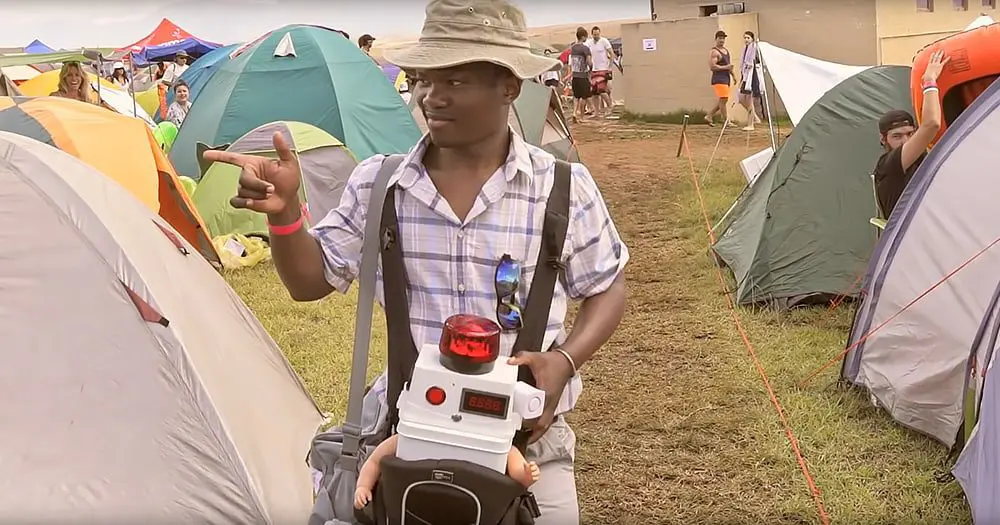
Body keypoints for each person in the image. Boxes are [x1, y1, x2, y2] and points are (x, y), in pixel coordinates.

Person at [204, 1, 628, 523]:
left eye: (456, 80)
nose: (432, 96)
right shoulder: (380, 184)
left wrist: (563, 362)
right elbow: (310, 282)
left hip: (529, 447)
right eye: (424, 79)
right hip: (407, 439)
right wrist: (287, 214)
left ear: (510, 86)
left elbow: (608, 287)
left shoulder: (562, 188)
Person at [354, 432, 540, 510]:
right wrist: (363, 486)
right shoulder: (409, 435)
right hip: (416, 507)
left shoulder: (498, 444)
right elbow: (375, 461)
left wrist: (526, 474)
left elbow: (516, 471)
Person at [874, 50, 949, 218]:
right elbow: (931, 124)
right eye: (897, 136)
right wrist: (929, 81)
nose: (905, 141)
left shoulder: (922, 160)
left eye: (910, 134)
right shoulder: (889, 164)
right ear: (883, 139)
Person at [706, 30, 735, 127]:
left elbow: (728, 66)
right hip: (718, 79)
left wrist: (733, 75)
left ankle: (709, 115)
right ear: (716, 39)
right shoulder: (714, 52)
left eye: (723, 38)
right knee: (724, 99)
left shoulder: (726, 51)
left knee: (723, 100)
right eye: (720, 38)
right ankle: (726, 121)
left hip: (726, 78)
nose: (722, 40)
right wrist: (726, 68)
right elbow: (712, 67)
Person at [737, 31, 764, 131]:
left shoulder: (755, 48)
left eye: (748, 38)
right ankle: (755, 118)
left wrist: (752, 63)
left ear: (752, 39)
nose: (746, 40)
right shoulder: (745, 49)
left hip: (752, 76)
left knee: (749, 100)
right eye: (745, 38)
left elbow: (758, 60)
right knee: (741, 98)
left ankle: (750, 124)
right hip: (745, 75)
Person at [586, 26, 615, 117]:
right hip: (593, 69)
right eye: (594, 34)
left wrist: (610, 66)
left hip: (603, 68)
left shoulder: (604, 41)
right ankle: (597, 111)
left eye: (597, 34)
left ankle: (609, 107)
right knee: (594, 91)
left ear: (600, 33)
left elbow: (612, 53)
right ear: (592, 34)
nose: (596, 36)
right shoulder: (589, 43)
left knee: (601, 89)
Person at [569, 26, 594, 122]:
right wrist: (591, 68)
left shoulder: (573, 48)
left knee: (576, 96)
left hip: (575, 75)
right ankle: (582, 117)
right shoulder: (585, 48)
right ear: (583, 37)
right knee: (584, 96)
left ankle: (574, 112)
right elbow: (589, 61)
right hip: (583, 75)